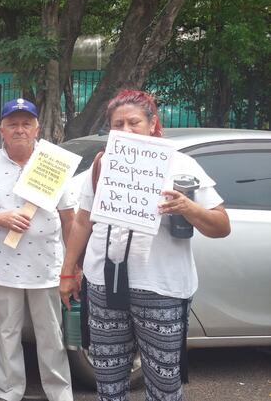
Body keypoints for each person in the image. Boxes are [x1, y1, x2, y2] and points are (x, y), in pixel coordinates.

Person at [59, 90, 230, 401]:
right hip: (103, 285)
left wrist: (188, 208)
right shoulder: (102, 164)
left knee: (163, 385)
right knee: (109, 381)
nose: (125, 130)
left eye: (134, 122)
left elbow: (221, 226)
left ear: (152, 124)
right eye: (118, 124)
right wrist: (68, 272)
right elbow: (83, 222)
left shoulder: (182, 165)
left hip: (161, 289)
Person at [0, 98, 75, 401]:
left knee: (51, 334)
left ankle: (60, 392)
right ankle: (9, 391)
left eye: (26, 123)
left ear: (37, 127)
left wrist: (72, 267)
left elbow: (69, 219)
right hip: (3, 267)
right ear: (2, 128)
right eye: (13, 123)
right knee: (7, 335)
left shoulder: (55, 164)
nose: (20, 129)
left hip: (48, 267)